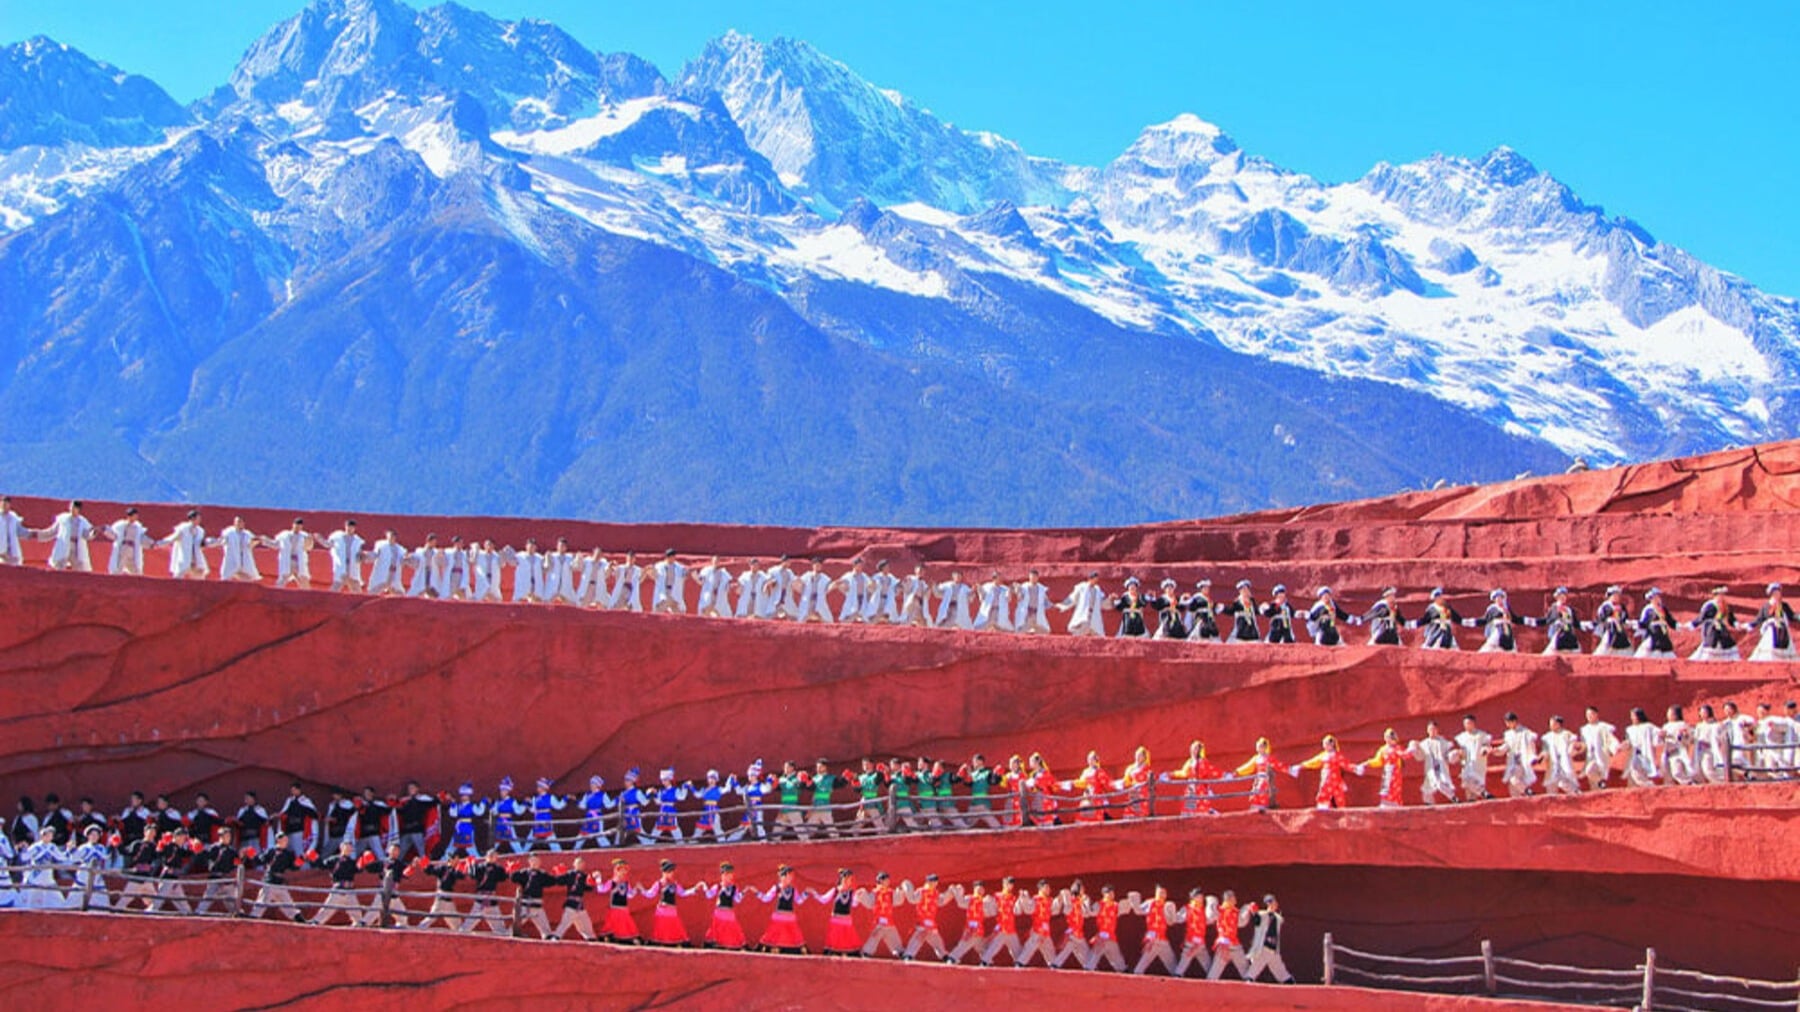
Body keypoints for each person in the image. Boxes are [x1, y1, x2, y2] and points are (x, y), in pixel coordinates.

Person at [309, 840, 370, 926]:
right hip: (337, 890)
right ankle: (315, 924)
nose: (349, 849)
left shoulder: (352, 862)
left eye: (350, 847)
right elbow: (323, 865)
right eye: (347, 847)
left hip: (350, 891)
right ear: (341, 847)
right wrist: (315, 858)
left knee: (357, 915)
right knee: (326, 911)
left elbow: (358, 870)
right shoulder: (334, 859)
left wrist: (364, 861)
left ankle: (357, 929)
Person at [247, 832, 303, 922]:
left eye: (286, 839)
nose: (286, 841)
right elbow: (260, 861)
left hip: (280, 882)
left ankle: (300, 920)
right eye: (284, 839)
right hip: (269, 881)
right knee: (261, 904)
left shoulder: (289, 853)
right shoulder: (271, 851)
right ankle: (251, 920)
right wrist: (252, 855)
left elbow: (293, 867)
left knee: (289, 905)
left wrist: (300, 861)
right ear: (278, 840)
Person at [1290, 735, 1354, 809]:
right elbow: (1312, 762)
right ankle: (1323, 808)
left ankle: (1341, 810)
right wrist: (1300, 766)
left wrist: (1355, 768)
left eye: (1326, 744)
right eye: (1324, 744)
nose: (1324, 746)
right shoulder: (1323, 755)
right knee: (1325, 791)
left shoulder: (1338, 756)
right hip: (1326, 776)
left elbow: (1346, 764)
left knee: (1337, 793)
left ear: (1332, 744)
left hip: (1335, 778)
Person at [1244, 895, 1297, 983]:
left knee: (1279, 968)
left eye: (1273, 902)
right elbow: (1257, 921)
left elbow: (1278, 924)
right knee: (1257, 965)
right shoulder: (1262, 914)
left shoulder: (1278, 918)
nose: (1272, 904)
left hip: (1273, 947)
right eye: (1270, 903)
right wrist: (1254, 912)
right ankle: (1248, 979)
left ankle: (1288, 981)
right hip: (1264, 946)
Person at [1164, 739, 1223, 815]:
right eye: (1192, 748)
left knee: (1201, 807)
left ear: (1199, 750)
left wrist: (1223, 775)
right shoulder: (1190, 762)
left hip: (1200, 788)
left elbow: (1211, 770)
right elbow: (1184, 773)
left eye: (1195, 749)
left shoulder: (1203, 762)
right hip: (1191, 787)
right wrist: (1170, 774)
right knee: (1189, 808)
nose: (1193, 750)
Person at [1132, 884, 1181, 975]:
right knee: (1143, 963)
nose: (1162, 895)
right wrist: (1134, 901)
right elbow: (1138, 910)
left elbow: (1172, 921)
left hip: (1162, 938)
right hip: (1152, 938)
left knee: (1172, 964)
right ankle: (1136, 975)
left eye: (1164, 893)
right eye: (1160, 892)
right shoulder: (1150, 903)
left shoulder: (1167, 905)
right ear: (1155, 893)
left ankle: (1177, 978)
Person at [458, 849, 510, 934]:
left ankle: (502, 934)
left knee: (497, 923)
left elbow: (503, 878)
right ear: (486, 857)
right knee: (471, 920)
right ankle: (462, 932)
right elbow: (473, 875)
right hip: (480, 897)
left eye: (493, 856)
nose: (492, 857)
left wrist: (508, 871)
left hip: (492, 897)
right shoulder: (480, 867)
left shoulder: (498, 869)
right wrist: (471, 865)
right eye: (490, 855)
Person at [757, 865, 807, 954]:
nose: (790, 878)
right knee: (772, 934)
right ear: (782, 877)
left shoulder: (792, 890)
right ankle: (767, 949)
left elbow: (799, 901)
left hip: (790, 917)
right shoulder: (777, 888)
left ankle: (797, 951)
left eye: (791, 877)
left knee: (795, 935)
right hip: (778, 917)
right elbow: (766, 898)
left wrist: (806, 894)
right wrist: (757, 893)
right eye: (788, 876)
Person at [1356, 728, 1410, 807]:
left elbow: (1404, 755)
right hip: (1387, 772)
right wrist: (1366, 763)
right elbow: (1377, 761)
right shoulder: (1383, 749)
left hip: (1395, 773)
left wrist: (1411, 749)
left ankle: (1396, 807)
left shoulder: (1396, 748)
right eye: (1387, 737)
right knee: (1385, 789)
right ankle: (1385, 805)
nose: (1389, 739)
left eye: (1391, 737)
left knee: (1394, 790)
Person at [900, 874, 950, 961]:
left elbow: (941, 901)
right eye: (932, 881)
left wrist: (951, 893)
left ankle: (944, 955)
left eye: (935, 882)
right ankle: (908, 955)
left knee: (937, 941)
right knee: (918, 938)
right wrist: (906, 886)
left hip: (931, 921)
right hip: (922, 920)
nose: (934, 883)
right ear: (927, 882)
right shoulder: (921, 891)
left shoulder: (935, 893)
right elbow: (913, 899)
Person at [1206, 890, 1253, 980]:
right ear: (1229, 899)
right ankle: (1209, 986)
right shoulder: (1220, 910)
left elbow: (1241, 923)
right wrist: (1211, 902)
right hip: (1223, 944)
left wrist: (1247, 909)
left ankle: (1249, 983)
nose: (1235, 901)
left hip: (1235, 944)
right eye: (1234, 898)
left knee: (1244, 967)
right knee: (1215, 970)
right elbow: (1211, 917)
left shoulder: (1235, 912)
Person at [413, 855, 468, 931]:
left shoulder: (454, 870)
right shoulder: (443, 868)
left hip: (448, 897)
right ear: (451, 860)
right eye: (456, 859)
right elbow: (430, 870)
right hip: (441, 895)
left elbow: (461, 876)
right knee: (432, 916)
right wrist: (422, 862)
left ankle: (459, 934)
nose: (457, 861)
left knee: (455, 921)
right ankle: (420, 929)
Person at [701, 862, 749, 949]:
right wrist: (704, 886)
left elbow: (737, 899)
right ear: (723, 875)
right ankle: (713, 943)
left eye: (731, 874)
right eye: (727, 874)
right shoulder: (718, 886)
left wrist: (744, 892)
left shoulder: (734, 888)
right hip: (719, 912)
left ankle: (740, 944)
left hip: (729, 912)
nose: (730, 877)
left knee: (733, 928)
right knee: (716, 928)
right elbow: (709, 895)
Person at [980, 877, 1026, 966]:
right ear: (1004, 884)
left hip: (1011, 927)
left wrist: (1021, 899)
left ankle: (1020, 962)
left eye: (1012, 884)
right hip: (1001, 926)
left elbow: (1017, 911)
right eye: (1008, 884)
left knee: (1016, 948)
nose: (1010, 886)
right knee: (994, 946)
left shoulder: (1013, 898)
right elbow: (989, 909)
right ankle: (985, 961)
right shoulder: (997, 896)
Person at [1049, 880, 1094, 970]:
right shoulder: (1071, 900)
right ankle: (1056, 964)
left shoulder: (1082, 901)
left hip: (1078, 931)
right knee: (1072, 947)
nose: (1083, 890)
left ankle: (1089, 966)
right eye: (1082, 889)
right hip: (1072, 929)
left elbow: (1086, 913)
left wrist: (1085, 901)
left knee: (1076, 948)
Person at [860, 871, 906, 958]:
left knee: (894, 936)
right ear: (881, 881)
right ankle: (867, 952)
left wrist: (900, 892)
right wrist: (862, 895)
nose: (888, 882)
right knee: (874, 937)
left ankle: (899, 951)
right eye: (886, 880)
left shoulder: (890, 892)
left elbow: (897, 901)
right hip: (878, 921)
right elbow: (869, 903)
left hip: (889, 920)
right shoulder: (875, 893)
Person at [1749, 583, 1798, 661]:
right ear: (1771, 594)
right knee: (1770, 644)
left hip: (1783, 629)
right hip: (1771, 630)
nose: (1777, 594)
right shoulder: (1766, 606)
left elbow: (1791, 616)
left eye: (1778, 592)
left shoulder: (1784, 605)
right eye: (1775, 593)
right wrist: (1750, 625)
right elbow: (1759, 619)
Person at [946, 881, 992, 964]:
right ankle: (952, 957)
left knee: (980, 946)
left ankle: (987, 960)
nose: (980, 890)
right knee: (964, 944)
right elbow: (961, 903)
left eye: (982, 889)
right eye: (978, 888)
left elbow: (989, 913)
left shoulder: (984, 901)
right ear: (974, 889)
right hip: (971, 927)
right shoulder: (970, 899)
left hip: (979, 928)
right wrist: (957, 892)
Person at [1690, 585, 1741, 661]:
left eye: (1723, 594)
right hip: (1711, 628)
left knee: (1727, 643)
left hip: (1721, 628)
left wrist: (1736, 624)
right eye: (1721, 594)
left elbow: (1730, 617)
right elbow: (1702, 617)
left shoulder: (1724, 605)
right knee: (1711, 643)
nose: (1723, 596)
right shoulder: (1710, 605)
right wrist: (1692, 625)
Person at [43, 500, 97, 572]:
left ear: (78, 509)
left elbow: (88, 533)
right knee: (60, 563)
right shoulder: (62, 518)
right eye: (71, 507)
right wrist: (40, 535)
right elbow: (53, 531)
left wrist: (93, 534)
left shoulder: (83, 521)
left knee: (78, 566)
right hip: (64, 544)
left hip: (75, 545)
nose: (72, 509)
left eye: (74, 508)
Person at [1496, 712, 1540, 797]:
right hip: (1512, 762)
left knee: (1514, 779)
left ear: (1514, 721)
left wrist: (1532, 757)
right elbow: (1506, 747)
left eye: (1509, 722)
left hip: (1521, 761)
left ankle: (1529, 792)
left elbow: (1531, 743)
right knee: (1513, 789)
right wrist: (1496, 750)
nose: (1508, 725)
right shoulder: (1508, 734)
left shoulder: (1525, 732)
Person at [1085, 884, 1127, 972]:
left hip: (1111, 935)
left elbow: (1123, 910)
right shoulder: (1099, 904)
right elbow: (1091, 912)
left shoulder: (1115, 905)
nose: (1112, 895)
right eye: (1109, 893)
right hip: (1102, 934)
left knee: (1116, 955)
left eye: (1113, 893)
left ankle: (1122, 969)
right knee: (1096, 953)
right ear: (1104, 894)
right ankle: (1088, 968)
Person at [393, 782, 440, 862]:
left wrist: (439, 797)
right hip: (406, 831)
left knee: (421, 852)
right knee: (401, 853)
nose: (410, 790)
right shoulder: (405, 801)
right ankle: (395, 869)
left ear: (417, 789)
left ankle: (425, 869)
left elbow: (433, 802)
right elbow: (398, 809)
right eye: (409, 788)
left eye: (412, 788)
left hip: (417, 830)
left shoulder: (422, 800)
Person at [1172, 888, 1212, 977]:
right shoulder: (1187, 908)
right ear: (1193, 897)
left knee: (1208, 966)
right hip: (1190, 941)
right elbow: (1178, 918)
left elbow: (1209, 920)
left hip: (1201, 943)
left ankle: (1212, 978)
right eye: (1199, 896)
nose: (1201, 898)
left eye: (1202, 897)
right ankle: (1177, 976)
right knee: (1183, 963)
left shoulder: (1203, 910)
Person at [1452, 715, 1494, 800]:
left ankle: (1480, 796)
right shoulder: (1461, 737)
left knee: (1472, 789)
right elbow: (1458, 751)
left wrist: (1485, 750)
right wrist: (1458, 754)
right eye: (1465, 723)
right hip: (1467, 765)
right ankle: (1483, 792)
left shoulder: (1482, 735)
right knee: (1467, 784)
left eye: (1469, 723)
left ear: (1473, 723)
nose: (1467, 725)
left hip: (1479, 765)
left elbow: (1486, 746)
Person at [1538, 715, 1582, 796]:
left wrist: (1573, 748)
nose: (1551, 725)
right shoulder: (1547, 737)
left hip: (1564, 763)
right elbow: (1545, 750)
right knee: (1550, 787)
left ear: (1558, 724)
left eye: (1553, 723)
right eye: (1550, 723)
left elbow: (1575, 745)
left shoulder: (1567, 734)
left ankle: (1576, 793)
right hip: (1552, 765)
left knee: (1564, 782)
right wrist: (1542, 756)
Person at [1579, 707, 1621, 790]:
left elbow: (1611, 739)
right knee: (1592, 779)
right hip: (1590, 756)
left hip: (1601, 755)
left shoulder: (1603, 726)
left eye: (1591, 714)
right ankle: (1600, 791)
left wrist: (1613, 748)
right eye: (1587, 715)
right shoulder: (1584, 729)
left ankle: (1601, 785)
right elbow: (1584, 744)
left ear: (1596, 715)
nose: (1589, 716)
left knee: (1593, 771)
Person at [600, 858, 641, 943]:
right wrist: (598, 880)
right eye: (621, 870)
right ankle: (610, 937)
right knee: (613, 924)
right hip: (615, 907)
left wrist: (635, 889)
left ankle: (625, 938)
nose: (623, 872)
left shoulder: (626, 883)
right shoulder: (612, 882)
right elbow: (602, 889)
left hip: (623, 907)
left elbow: (629, 895)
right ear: (616, 871)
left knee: (626, 923)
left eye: (624, 870)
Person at [268, 518, 316, 589]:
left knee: (303, 579)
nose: (297, 528)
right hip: (287, 560)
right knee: (283, 578)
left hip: (299, 561)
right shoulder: (284, 535)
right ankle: (275, 595)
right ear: (293, 525)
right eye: (296, 525)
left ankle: (308, 597)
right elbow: (275, 544)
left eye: (299, 526)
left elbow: (308, 548)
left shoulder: (304, 536)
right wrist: (265, 541)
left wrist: (310, 541)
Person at [1058, 571, 1109, 636]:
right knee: (1082, 629)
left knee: (1097, 631)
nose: (1095, 581)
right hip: (1084, 613)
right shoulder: (1082, 587)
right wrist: (1063, 605)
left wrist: (1111, 599)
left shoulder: (1097, 589)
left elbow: (1102, 601)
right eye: (1094, 579)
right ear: (1090, 579)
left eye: (1097, 580)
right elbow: (1073, 597)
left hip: (1094, 615)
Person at [1622, 707, 1664, 787]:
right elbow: (1627, 740)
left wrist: (1661, 735)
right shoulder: (1629, 729)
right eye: (1631, 716)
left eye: (1633, 716)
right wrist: (1625, 744)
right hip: (1634, 754)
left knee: (1637, 772)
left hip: (1645, 754)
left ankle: (1650, 787)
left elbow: (1658, 734)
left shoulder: (1648, 726)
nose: (1631, 718)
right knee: (1632, 775)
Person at [1235, 738, 1279, 811]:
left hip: (1266, 778)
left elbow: (1278, 765)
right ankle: (1256, 807)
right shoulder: (1256, 758)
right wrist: (1237, 771)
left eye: (1260, 746)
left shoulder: (1269, 758)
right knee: (1255, 791)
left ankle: (1264, 807)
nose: (1258, 748)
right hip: (1258, 778)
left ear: (1265, 747)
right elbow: (1248, 766)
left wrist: (1291, 769)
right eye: (1258, 746)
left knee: (1262, 791)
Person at [276, 783, 320, 855]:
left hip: (300, 830)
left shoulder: (305, 801)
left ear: (299, 790)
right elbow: (284, 813)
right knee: (289, 851)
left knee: (299, 852)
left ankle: (304, 866)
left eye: (295, 790)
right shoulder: (289, 801)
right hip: (289, 830)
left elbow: (314, 814)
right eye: (292, 790)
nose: (293, 792)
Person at [104, 507, 150, 575]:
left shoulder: (137, 527)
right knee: (119, 567)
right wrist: (105, 530)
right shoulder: (122, 525)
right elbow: (114, 535)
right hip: (124, 547)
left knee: (135, 569)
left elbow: (141, 538)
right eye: (134, 515)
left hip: (132, 549)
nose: (136, 517)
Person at [323, 520, 365, 592]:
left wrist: (360, 557)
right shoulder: (337, 537)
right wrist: (320, 539)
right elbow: (328, 544)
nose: (349, 529)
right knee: (339, 582)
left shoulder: (358, 540)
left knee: (355, 584)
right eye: (348, 527)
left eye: (351, 527)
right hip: (341, 564)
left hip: (353, 566)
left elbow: (360, 553)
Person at [649, 770, 689, 844]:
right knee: (658, 827)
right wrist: (654, 795)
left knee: (674, 826)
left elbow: (682, 797)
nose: (663, 782)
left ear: (669, 780)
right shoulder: (661, 791)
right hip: (663, 810)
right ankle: (650, 841)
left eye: (665, 780)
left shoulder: (675, 790)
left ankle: (680, 842)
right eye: (662, 780)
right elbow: (658, 802)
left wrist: (685, 788)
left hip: (671, 810)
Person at [1592, 586, 1635, 656]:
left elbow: (1624, 618)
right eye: (1615, 595)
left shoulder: (1622, 607)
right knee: (1606, 645)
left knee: (1625, 646)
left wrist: (1627, 623)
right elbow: (1601, 618)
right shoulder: (1606, 606)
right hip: (1610, 629)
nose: (1617, 597)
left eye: (1618, 595)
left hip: (1620, 630)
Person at [1636, 588, 1679, 658]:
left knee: (1669, 655)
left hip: (1663, 636)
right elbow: (1643, 623)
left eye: (1659, 596)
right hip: (1653, 637)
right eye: (1656, 597)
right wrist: (1637, 625)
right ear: (1652, 599)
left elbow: (1670, 620)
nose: (1659, 598)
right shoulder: (1648, 610)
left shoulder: (1663, 609)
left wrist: (1678, 626)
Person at [1661, 705, 1697, 785]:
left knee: (1677, 772)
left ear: (1676, 715)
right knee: (1667, 772)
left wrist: (1683, 736)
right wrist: (1662, 737)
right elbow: (1662, 740)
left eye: (1670, 713)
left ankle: (1689, 783)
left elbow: (1689, 738)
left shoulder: (1682, 724)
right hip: (1668, 752)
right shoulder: (1666, 726)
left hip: (1678, 751)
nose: (1668, 715)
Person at [1540, 586, 1583, 654]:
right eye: (1561, 595)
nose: (1563, 597)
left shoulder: (1568, 610)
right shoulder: (1554, 608)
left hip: (1567, 636)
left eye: (1564, 595)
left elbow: (1573, 623)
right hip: (1557, 636)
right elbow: (1548, 620)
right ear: (1557, 597)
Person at [366, 531, 408, 596]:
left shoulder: (400, 549)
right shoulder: (381, 545)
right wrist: (366, 556)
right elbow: (375, 554)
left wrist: (406, 560)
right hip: (382, 572)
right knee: (374, 591)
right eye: (390, 536)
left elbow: (403, 560)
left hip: (393, 573)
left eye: (393, 536)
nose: (391, 538)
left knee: (399, 593)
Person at [793, 559, 834, 624]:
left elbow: (828, 587)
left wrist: (834, 585)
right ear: (813, 566)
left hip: (819, 600)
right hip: (807, 600)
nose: (818, 567)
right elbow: (800, 584)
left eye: (819, 565)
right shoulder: (807, 575)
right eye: (816, 565)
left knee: (828, 619)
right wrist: (797, 580)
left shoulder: (825, 578)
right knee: (801, 618)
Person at [650, 549, 689, 614]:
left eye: (673, 556)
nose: (672, 558)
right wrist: (651, 571)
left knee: (677, 610)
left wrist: (687, 573)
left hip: (674, 591)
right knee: (660, 607)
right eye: (669, 557)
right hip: (663, 590)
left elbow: (684, 576)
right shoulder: (659, 566)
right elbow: (654, 576)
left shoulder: (679, 567)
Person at [1013, 570, 1053, 634]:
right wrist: (1017, 590)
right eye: (1031, 576)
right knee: (1020, 631)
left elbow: (1045, 601)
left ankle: (1032, 632)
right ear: (1029, 577)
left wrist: (1053, 605)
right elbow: (1019, 596)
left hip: (1037, 613)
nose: (1033, 578)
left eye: (1035, 577)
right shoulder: (1024, 587)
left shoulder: (1041, 588)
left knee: (1045, 631)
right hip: (1027, 613)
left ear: (1037, 577)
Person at [836, 558, 873, 623]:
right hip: (852, 598)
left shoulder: (864, 576)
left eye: (861, 566)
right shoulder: (848, 575)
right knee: (850, 613)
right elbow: (839, 584)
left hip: (862, 598)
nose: (860, 567)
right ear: (854, 566)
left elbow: (870, 585)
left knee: (864, 614)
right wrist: (845, 592)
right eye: (859, 566)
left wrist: (869, 593)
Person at [865, 560, 902, 624]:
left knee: (889, 614)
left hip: (888, 599)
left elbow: (896, 585)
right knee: (876, 613)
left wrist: (899, 588)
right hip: (878, 599)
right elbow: (870, 587)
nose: (888, 568)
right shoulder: (876, 577)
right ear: (882, 568)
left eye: (888, 567)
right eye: (886, 567)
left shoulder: (891, 577)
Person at [0, 495, 27, 565]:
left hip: (13, 554)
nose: (4, 505)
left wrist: (34, 533)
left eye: (6, 503)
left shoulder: (13, 518)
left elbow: (21, 531)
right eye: (2, 503)